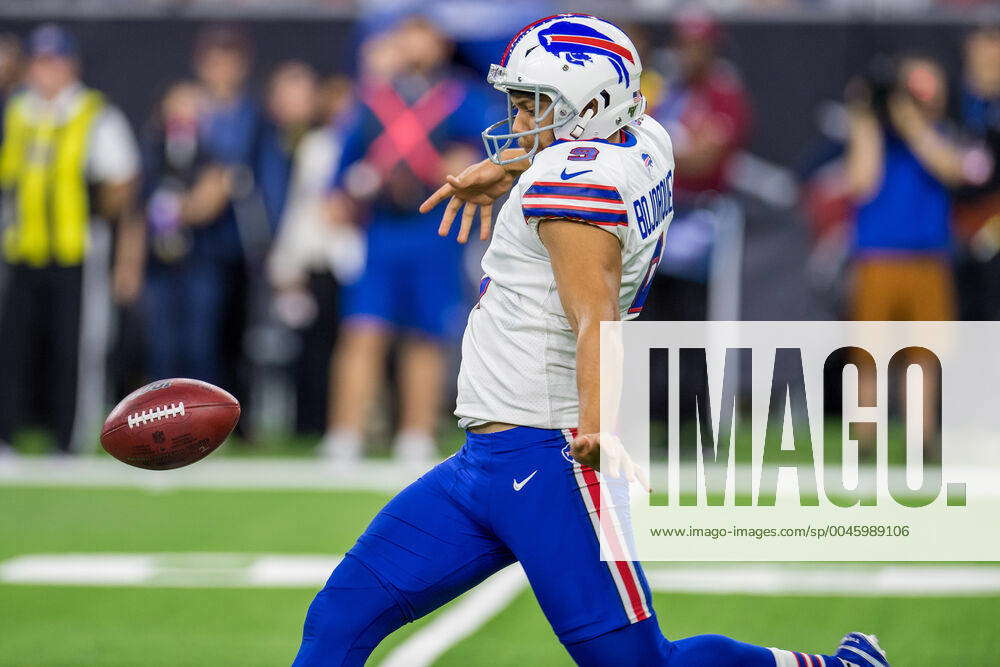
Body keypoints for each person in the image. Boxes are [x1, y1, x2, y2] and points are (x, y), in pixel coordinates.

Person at [292, 15, 888, 667]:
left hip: (548, 452)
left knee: (637, 664)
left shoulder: (574, 192)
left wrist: (597, 428)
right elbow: (580, 148)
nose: (516, 119)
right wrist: (508, 164)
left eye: (532, 105)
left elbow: (595, 315)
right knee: (338, 619)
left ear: (590, 110)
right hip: (483, 463)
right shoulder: (646, 136)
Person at [320, 16, 493, 463]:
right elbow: (343, 164)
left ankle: (415, 433)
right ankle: (346, 433)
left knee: (426, 333)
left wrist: (465, 163)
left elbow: (490, 152)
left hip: (434, 230)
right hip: (381, 229)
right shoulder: (373, 100)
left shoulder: (461, 98)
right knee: (363, 329)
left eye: (426, 37)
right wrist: (342, 195)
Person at [0, 24, 141, 453]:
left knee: (73, 348)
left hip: (76, 246)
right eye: (40, 63)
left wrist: (100, 214)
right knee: (13, 347)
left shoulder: (93, 112)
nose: (46, 73)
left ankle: (68, 440)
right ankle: (6, 435)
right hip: (22, 247)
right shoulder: (16, 111)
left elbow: (122, 182)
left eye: (54, 62)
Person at [267, 75, 363, 436]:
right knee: (314, 346)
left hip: (357, 259)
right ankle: (308, 425)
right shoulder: (316, 145)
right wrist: (287, 262)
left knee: (359, 343)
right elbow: (301, 207)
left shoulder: (370, 145)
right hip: (320, 258)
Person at [140, 80, 233, 382]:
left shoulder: (213, 154)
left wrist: (181, 208)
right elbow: (135, 209)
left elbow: (211, 200)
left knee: (199, 343)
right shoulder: (152, 151)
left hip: (200, 259)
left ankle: (201, 417)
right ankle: (160, 416)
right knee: (161, 344)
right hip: (158, 263)